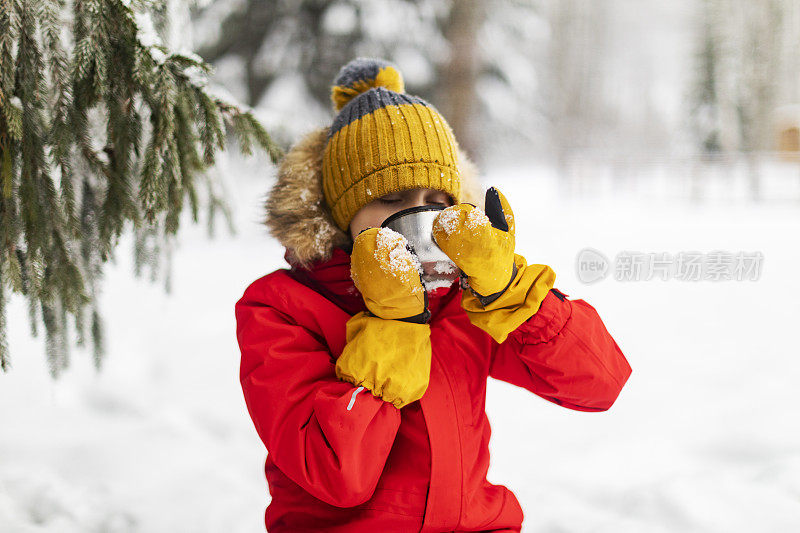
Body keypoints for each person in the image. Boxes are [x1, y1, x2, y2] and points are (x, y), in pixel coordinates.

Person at [235, 57, 632, 532]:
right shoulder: (281, 307)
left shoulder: (459, 297)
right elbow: (337, 474)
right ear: (343, 212)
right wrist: (394, 324)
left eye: (435, 201)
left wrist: (508, 290)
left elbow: (598, 384)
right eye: (393, 199)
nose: (417, 217)